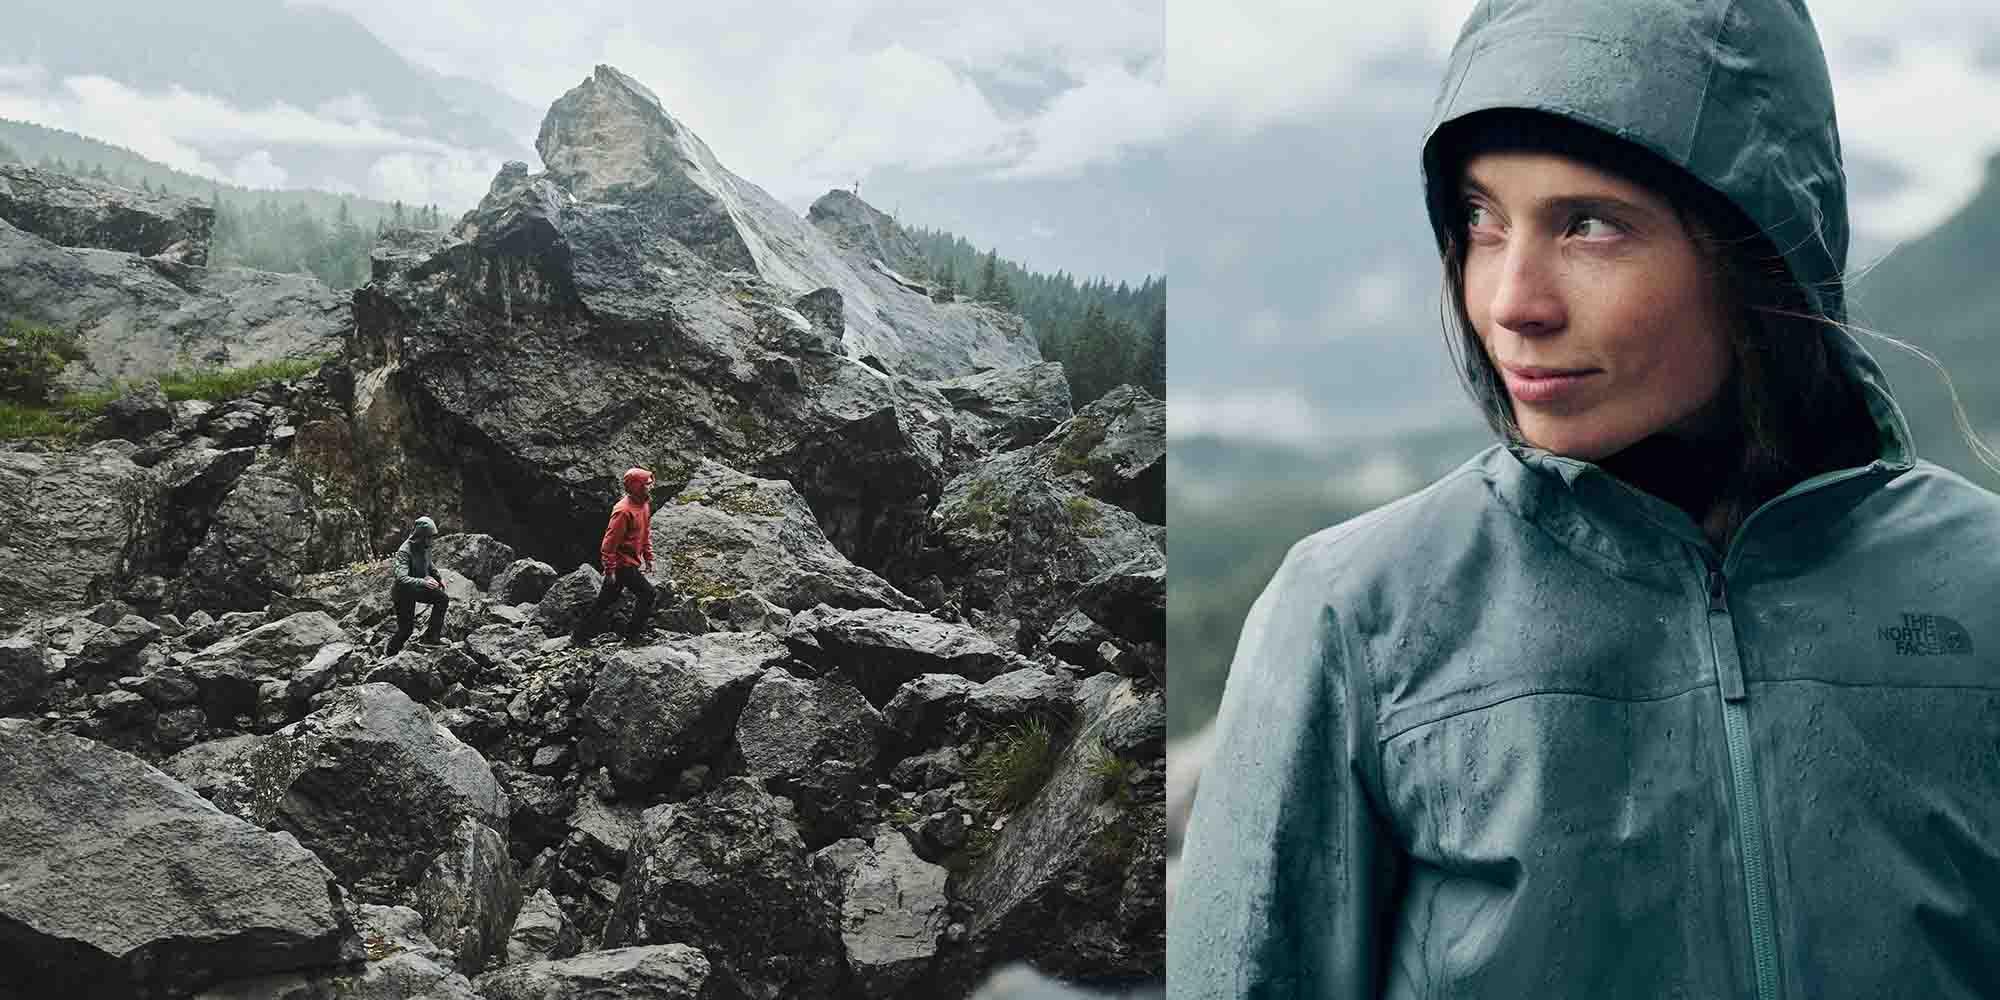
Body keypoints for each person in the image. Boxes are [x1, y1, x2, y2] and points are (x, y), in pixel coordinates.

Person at [1169, 1, 2000, 997]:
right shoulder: (1354, 616)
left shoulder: (1979, 587)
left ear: (1755, 244)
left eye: (1587, 224)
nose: (1511, 300)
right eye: (1479, 219)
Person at [573, 466, 658, 645]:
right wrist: (610, 570)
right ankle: (632, 636)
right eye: (647, 484)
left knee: (605, 600)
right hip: (621, 565)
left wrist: (648, 557)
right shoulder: (622, 511)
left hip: (629, 563)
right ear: (636, 487)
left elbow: (645, 532)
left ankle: (579, 636)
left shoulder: (644, 504)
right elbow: (608, 545)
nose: (651, 487)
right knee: (648, 594)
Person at [385, 515, 448, 656]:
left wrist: (439, 577)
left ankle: (431, 637)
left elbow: (429, 563)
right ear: (420, 535)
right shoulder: (404, 551)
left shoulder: (425, 545)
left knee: (442, 599)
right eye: (429, 537)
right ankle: (389, 655)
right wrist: (424, 582)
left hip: (417, 587)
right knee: (406, 631)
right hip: (403, 593)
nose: (431, 541)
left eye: (432, 537)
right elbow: (401, 578)